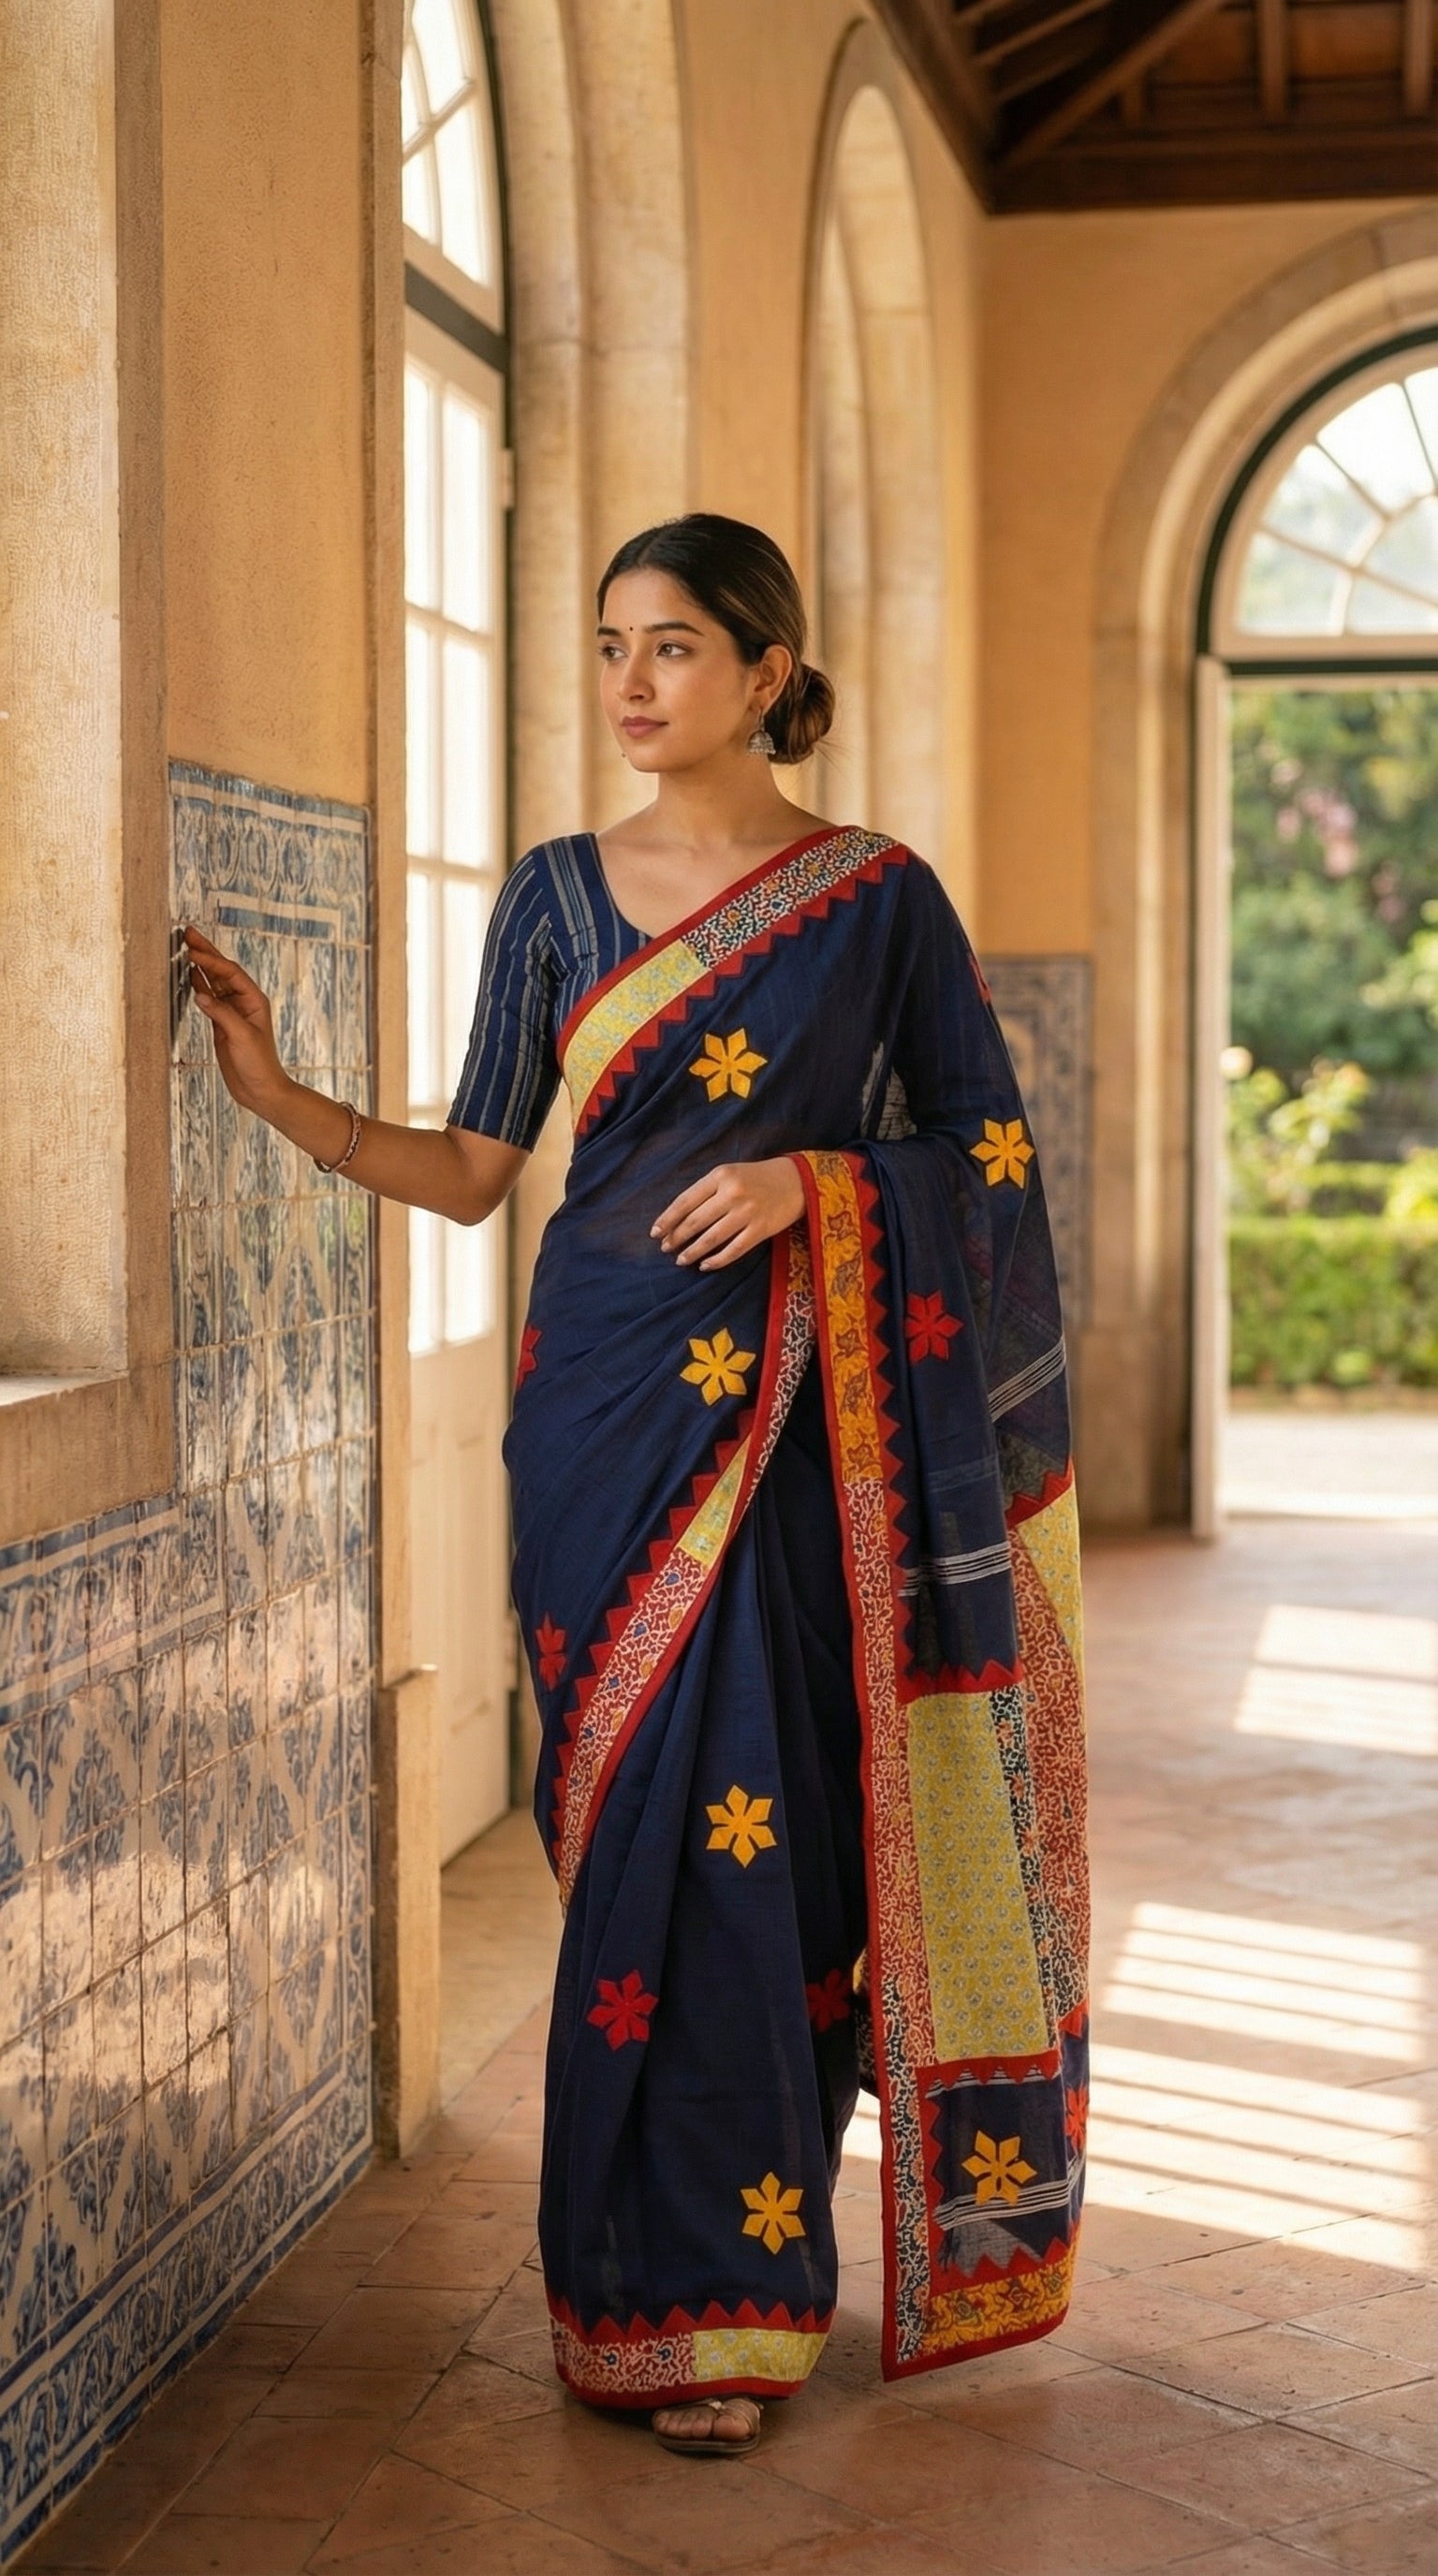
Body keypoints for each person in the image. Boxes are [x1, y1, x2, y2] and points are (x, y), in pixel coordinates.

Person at [184, 512, 1090, 2461]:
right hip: (602, 1408)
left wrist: (815, 1186)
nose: (629, 683)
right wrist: (279, 1099)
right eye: (610, 644)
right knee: (638, 1825)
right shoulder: (550, 899)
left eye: (673, 646)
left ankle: (743, 2290)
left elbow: (990, 1159)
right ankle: (641, 2288)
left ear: (768, 672)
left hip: (800, 1427)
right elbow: (474, 1166)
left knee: (790, 1835)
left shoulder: (876, 901)